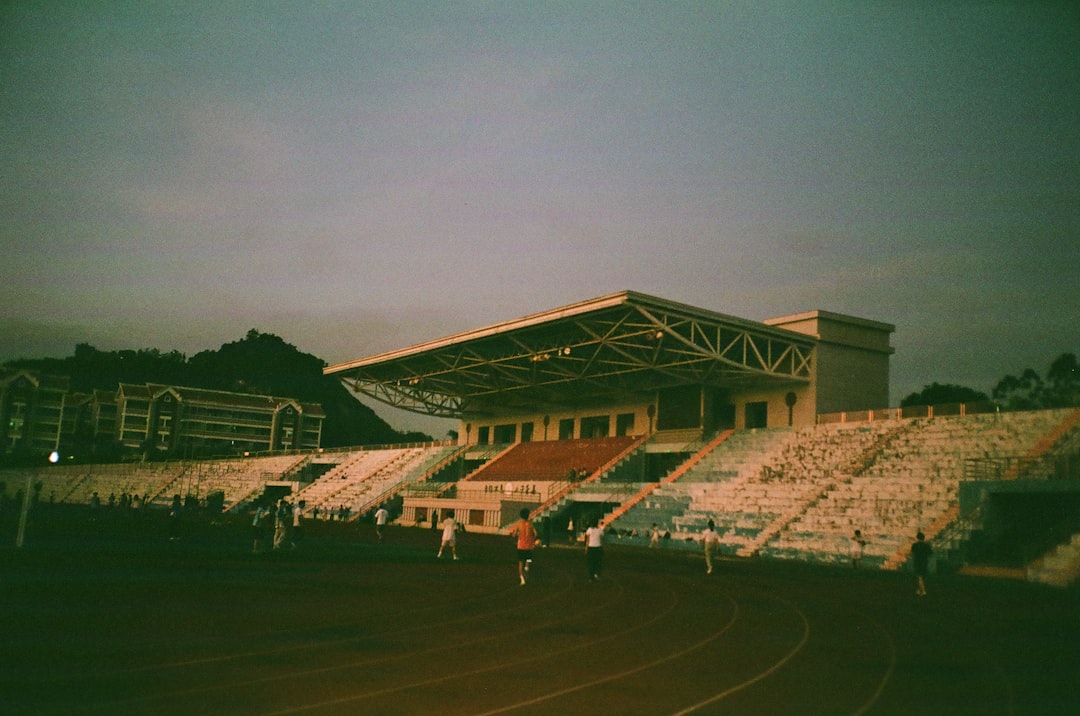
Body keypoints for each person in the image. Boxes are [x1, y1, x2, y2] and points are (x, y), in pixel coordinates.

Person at [509, 508, 539, 585]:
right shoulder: (530, 524)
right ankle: (527, 567)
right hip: (529, 546)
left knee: (520, 562)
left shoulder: (518, 524)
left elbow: (514, 535)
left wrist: (514, 535)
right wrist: (533, 540)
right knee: (529, 559)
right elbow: (536, 534)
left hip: (521, 546)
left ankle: (522, 579)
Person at [911, 531, 932, 596]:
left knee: (919, 576)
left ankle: (923, 590)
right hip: (924, 562)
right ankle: (920, 589)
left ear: (917, 538)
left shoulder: (915, 545)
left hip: (917, 562)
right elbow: (930, 553)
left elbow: (912, 553)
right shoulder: (926, 545)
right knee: (923, 576)